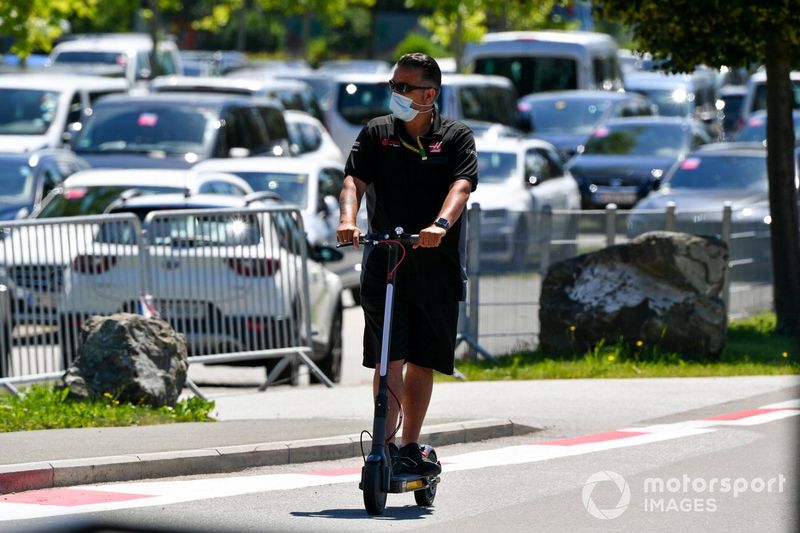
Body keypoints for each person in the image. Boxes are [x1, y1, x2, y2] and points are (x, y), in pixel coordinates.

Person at [336, 53, 478, 476]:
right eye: (393, 86)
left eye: (404, 88)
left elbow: (461, 186)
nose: (395, 94)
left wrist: (440, 225)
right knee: (388, 357)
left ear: (429, 94)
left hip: (435, 264)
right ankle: (383, 444)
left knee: (421, 358)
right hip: (385, 259)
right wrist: (348, 219)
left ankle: (410, 445)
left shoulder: (455, 137)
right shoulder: (377, 133)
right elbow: (353, 181)